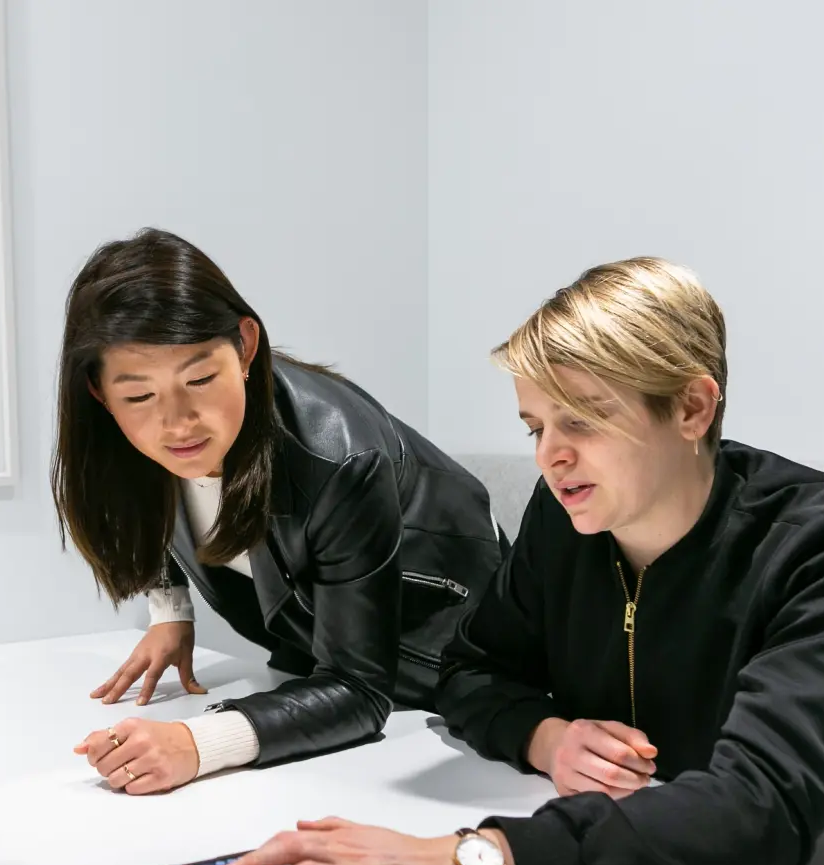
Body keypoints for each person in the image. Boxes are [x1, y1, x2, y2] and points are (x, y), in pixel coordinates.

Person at [221, 257, 824, 865]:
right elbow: (470, 671)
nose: (549, 455)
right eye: (537, 426)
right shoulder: (567, 517)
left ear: (693, 409)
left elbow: (759, 803)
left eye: (583, 418)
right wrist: (548, 737)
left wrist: (473, 863)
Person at [56, 228, 504, 794]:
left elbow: (361, 690)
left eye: (200, 379)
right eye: (139, 396)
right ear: (99, 391)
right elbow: (152, 504)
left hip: (444, 672)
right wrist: (170, 610)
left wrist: (198, 743)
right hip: (319, 665)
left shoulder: (339, 457)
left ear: (245, 346)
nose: (177, 422)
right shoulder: (132, 442)